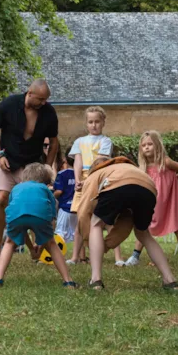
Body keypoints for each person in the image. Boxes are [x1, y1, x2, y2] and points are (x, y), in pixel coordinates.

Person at [74, 156, 178, 291]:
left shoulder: (95, 174)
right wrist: (106, 245)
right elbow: (125, 224)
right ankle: (170, 280)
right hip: (148, 188)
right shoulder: (128, 167)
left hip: (117, 184)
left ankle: (96, 280)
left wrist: (88, 241)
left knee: (96, 224)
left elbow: (83, 212)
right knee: (143, 234)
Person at [0, 79, 59, 262]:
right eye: (40, 99)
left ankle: (37, 248)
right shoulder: (10, 104)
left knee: (36, 203)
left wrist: (47, 167)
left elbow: (54, 141)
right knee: (1, 199)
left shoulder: (48, 112)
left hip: (32, 166)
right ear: (30, 93)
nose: (43, 103)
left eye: (46, 100)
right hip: (7, 161)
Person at [0, 163, 77, 289]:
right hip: (40, 216)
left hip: (15, 216)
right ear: (45, 180)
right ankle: (68, 281)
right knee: (52, 245)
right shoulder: (45, 189)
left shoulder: (16, 189)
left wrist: (31, 248)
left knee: (9, 243)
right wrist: (40, 248)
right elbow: (51, 219)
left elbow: (20, 219)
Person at [125, 131, 178, 269]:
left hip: (168, 201)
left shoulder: (166, 162)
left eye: (150, 144)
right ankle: (135, 256)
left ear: (157, 145)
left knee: (177, 227)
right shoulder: (142, 168)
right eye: (143, 145)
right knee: (144, 227)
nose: (147, 147)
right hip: (150, 202)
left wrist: (173, 180)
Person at [67, 106, 113, 264]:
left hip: (98, 177)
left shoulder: (105, 141)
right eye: (90, 122)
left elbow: (99, 162)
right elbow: (77, 162)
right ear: (86, 124)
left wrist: (87, 181)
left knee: (102, 218)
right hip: (82, 180)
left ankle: (115, 256)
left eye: (97, 122)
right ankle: (76, 256)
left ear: (103, 122)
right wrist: (78, 180)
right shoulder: (79, 142)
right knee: (81, 218)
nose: (94, 125)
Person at [53, 152, 77, 242]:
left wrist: (51, 196)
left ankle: (58, 255)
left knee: (60, 233)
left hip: (64, 208)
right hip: (77, 208)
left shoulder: (62, 174)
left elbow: (59, 191)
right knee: (77, 233)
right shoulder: (81, 174)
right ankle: (80, 255)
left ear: (66, 160)